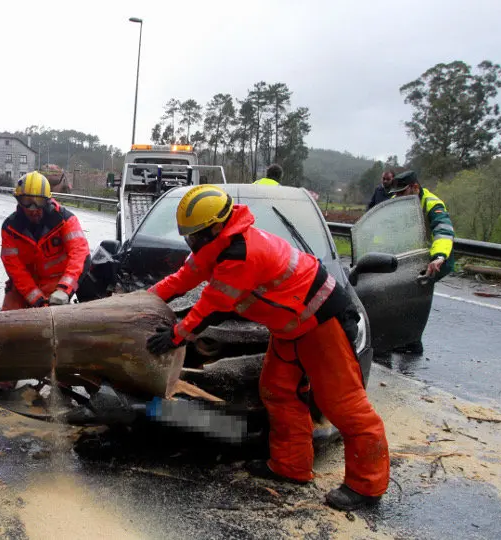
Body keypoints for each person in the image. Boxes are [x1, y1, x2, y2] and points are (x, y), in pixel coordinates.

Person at [145, 184, 389, 511]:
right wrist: (144, 300)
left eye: (195, 236)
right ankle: (291, 466)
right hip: (289, 326)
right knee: (276, 390)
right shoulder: (215, 245)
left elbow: (212, 306)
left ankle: (367, 485)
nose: (191, 242)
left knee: (343, 403)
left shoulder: (243, 253)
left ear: (217, 226)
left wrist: (176, 335)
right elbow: (180, 279)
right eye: (188, 237)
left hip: (320, 322)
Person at [0, 171, 90, 310]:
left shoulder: (65, 221)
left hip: (57, 283)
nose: (33, 208)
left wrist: (64, 290)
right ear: (19, 201)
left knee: (57, 322)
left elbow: (80, 255)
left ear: (47, 200)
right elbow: (15, 270)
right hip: (26, 285)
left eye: (38, 202)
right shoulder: (10, 229)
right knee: (9, 316)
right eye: (27, 202)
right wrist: (37, 299)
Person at [388, 170, 455, 354]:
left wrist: (439, 257)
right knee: (399, 293)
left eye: (403, 192)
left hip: (435, 259)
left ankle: (412, 342)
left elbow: (444, 232)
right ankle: (405, 339)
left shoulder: (433, 204)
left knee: (414, 293)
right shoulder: (397, 201)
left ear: (415, 188)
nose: (398, 196)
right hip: (410, 257)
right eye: (397, 193)